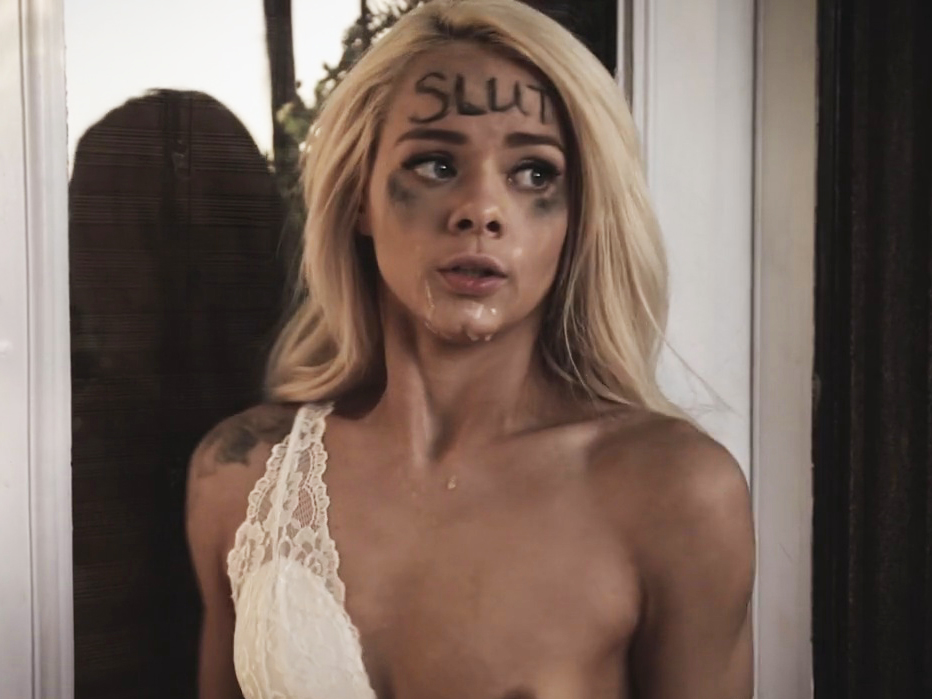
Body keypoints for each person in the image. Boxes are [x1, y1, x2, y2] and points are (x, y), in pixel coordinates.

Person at [185, 1, 755, 697]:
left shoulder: (675, 494)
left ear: (578, 217)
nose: (481, 209)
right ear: (360, 197)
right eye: (435, 163)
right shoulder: (240, 477)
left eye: (535, 173)